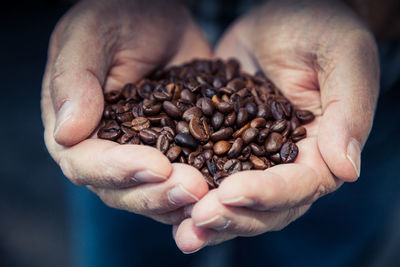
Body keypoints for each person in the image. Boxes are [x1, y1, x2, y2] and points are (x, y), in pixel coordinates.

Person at [41, 0, 400, 266]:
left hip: (337, 89)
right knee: (128, 241)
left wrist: (353, 9)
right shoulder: (150, 112)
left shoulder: (264, 115)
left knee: (317, 251)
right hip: (134, 74)